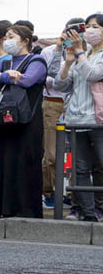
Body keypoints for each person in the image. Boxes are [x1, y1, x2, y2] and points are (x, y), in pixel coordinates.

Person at [0, 24, 47, 218]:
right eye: (6, 37)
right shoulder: (4, 62)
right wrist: (6, 76)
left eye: (11, 37)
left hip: (27, 122)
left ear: (25, 41)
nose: (7, 41)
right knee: (2, 162)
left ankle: (26, 209)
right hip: (3, 120)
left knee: (25, 163)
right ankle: (2, 209)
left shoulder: (36, 60)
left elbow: (27, 80)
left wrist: (0, 77)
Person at [51, 15, 103, 221]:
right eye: (87, 26)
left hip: (98, 119)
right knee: (80, 169)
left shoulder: (91, 55)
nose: (90, 30)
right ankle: (89, 213)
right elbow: (60, 85)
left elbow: (93, 74)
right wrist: (68, 63)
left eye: (95, 26)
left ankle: (98, 208)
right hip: (75, 119)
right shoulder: (84, 53)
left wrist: (80, 52)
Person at [41, 20, 78, 207]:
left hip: (76, 104)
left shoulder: (85, 52)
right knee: (52, 154)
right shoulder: (48, 51)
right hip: (53, 103)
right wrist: (58, 49)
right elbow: (45, 77)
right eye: (69, 31)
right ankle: (49, 193)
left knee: (75, 154)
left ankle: (73, 194)